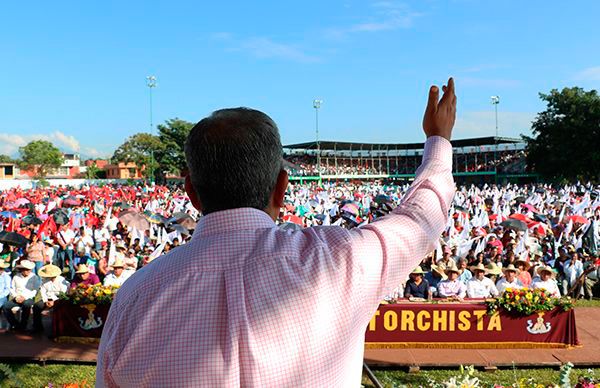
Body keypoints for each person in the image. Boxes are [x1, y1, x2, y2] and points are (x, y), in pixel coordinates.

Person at [97, 78, 457, 387]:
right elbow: (420, 218)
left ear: (190, 191)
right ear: (281, 188)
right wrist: (438, 140)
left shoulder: (136, 296)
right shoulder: (338, 259)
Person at [2, 260, 41, 331]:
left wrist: (25, 297)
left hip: (28, 298)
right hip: (17, 297)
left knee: (27, 304)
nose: (27, 271)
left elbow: (35, 290)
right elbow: (12, 288)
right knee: (5, 306)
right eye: (25, 269)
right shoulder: (16, 277)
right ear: (21, 270)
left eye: (29, 269)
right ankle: (15, 324)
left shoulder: (34, 277)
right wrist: (16, 296)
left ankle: (23, 324)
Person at [32, 264, 69, 332]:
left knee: (59, 308)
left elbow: (63, 294)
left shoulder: (62, 281)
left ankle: (57, 329)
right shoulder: (45, 281)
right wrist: (46, 300)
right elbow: (43, 291)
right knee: (36, 306)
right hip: (47, 299)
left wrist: (54, 301)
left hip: (59, 300)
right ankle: (37, 327)